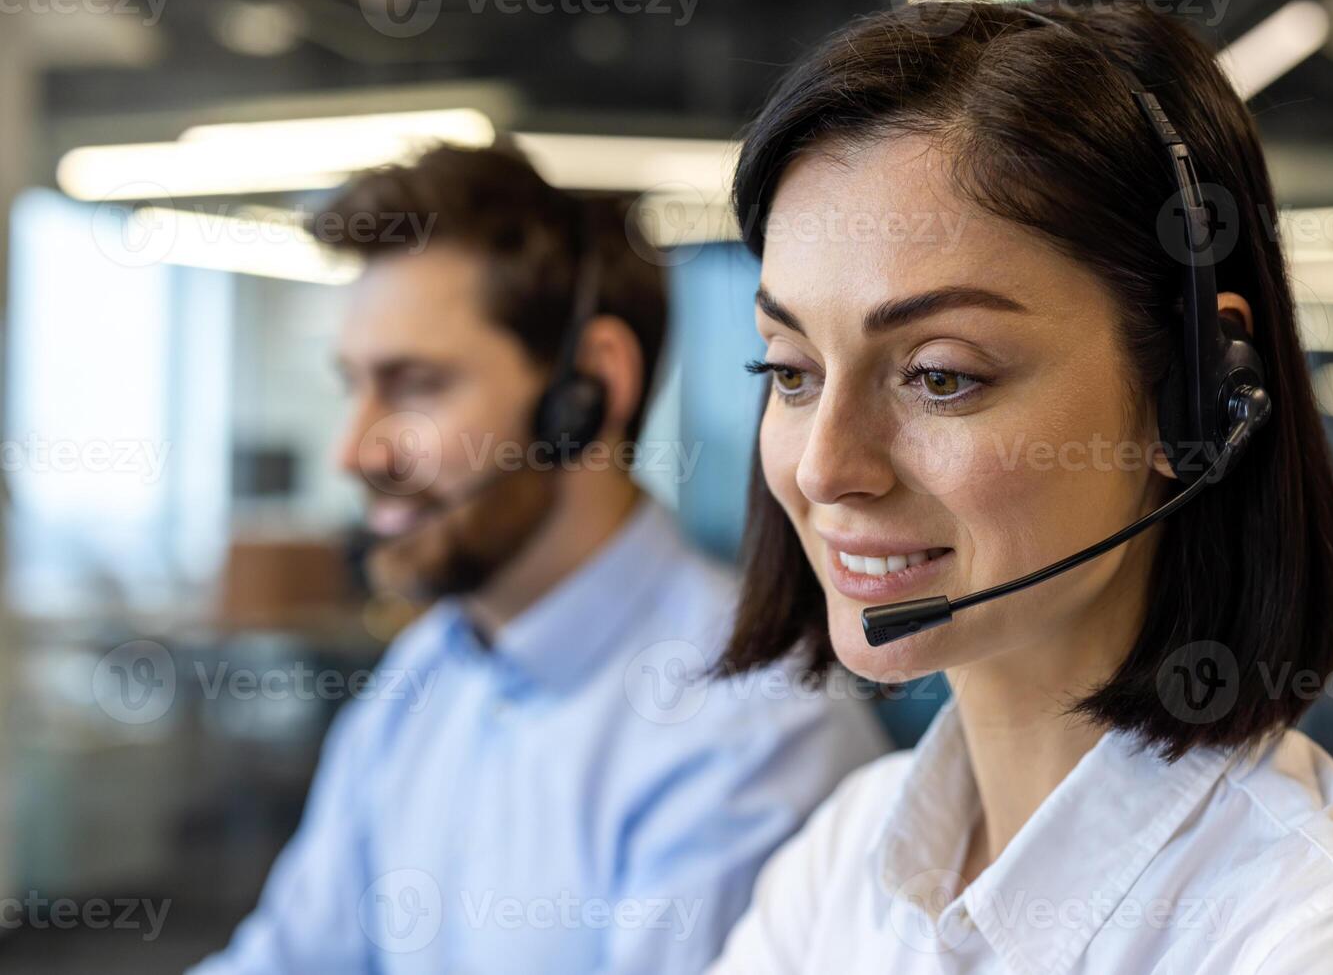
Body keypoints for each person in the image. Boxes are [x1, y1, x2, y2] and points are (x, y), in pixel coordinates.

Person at [706, 1, 1333, 973]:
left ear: (1191, 392)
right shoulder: (844, 863)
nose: (823, 466)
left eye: (942, 375)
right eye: (791, 371)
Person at [190, 145, 890, 975]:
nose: (352, 449)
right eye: (354, 385)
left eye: (414, 385)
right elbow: (289, 959)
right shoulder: (424, 677)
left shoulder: (753, 731)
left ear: (585, 389)